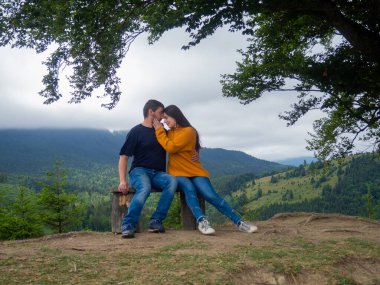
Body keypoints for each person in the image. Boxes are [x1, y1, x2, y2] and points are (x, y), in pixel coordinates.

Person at [153, 105, 258, 235]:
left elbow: (171, 147)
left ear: (176, 115)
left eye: (167, 117)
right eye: (163, 119)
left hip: (195, 170)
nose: (165, 121)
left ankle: (239, 222)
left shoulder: (189, 131)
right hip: (177, 172)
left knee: (210, 195)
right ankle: (202, 221)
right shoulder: (169, 132)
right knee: (189, 189)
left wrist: (159, 130)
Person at [118, 99, 177, 238]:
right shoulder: (136, 131)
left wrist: (194, 151)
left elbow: (178, 142)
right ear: (151, 112)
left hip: (158, 174)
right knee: (145, 187)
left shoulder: (163, 132)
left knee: (172, 181)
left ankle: (156, 221)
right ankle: (128, 224)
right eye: (161, 112)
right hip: (139, 171)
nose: (163, 116)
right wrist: (122, 180)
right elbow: (124, 157)